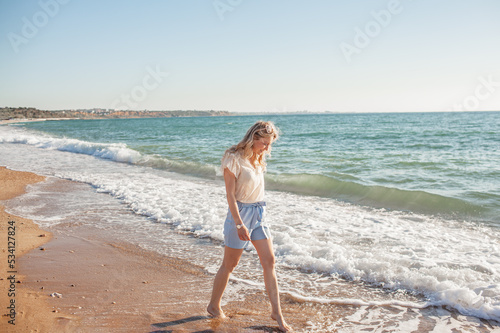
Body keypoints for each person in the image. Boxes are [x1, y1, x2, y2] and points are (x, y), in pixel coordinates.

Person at [207, 121, 291, 332]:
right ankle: (214, 305)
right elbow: (230, 196)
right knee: (229, 265)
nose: (267, 148)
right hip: (240, 215)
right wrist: (239, 224)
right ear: (253, 138)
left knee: (269, 261)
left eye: (269, 144)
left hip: (260, 213)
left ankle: (277, 313)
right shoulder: (233, 159)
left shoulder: (258, 158)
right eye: (264, 143)